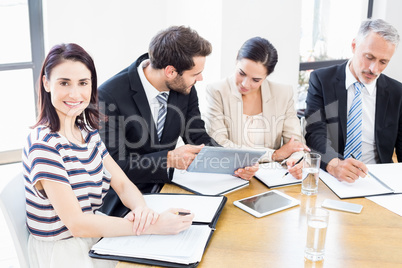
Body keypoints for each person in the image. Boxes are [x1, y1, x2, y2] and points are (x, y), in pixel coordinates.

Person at [22, 43, 195, 268]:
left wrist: (142, 210)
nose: (75, 94)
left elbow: (121, 183)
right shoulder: (44, 146)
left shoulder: (86, 131)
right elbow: (77, 224)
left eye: (83, 83)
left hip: (93, 234)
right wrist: (154, 225)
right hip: (65, 250)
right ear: (46, 83)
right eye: (64, 83)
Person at [98, 26, 258, 216]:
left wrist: (234, 163)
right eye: (195, 73)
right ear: (170, 72)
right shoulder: (108, 96)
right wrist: (169, 158)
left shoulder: (185, 87)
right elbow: (114, 165)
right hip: (126, 200)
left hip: (171, 190)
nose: (200, 78)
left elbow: (197, 136)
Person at [305, 18, 402, 183]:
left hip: (378, 179)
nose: (374, 69)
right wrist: (335, 165)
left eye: (383, 62)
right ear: (354, 46)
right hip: (333, 175)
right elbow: (315, 133)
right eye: (369, 57)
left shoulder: (396, 92)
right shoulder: (322, 80)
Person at [205, 37, 309, 179]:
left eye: (256, 80)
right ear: (236, 59)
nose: (245, 84)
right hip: (231, 177)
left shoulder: (282, 94)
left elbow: (296, 145)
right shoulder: (217, 91)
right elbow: (220, 145)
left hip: (271, 179)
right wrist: (274, 154)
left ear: (266, 76)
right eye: (241, 73)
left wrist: (296, 161)